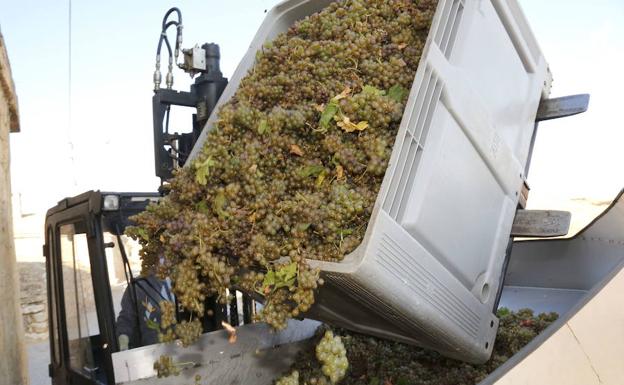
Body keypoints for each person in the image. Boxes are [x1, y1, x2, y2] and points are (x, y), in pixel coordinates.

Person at [116, 274, 175, 350]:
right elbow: (126, 319)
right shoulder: (138, 285)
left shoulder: (186, 276)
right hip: (152, 351)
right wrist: (123, 343)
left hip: (186, 346)